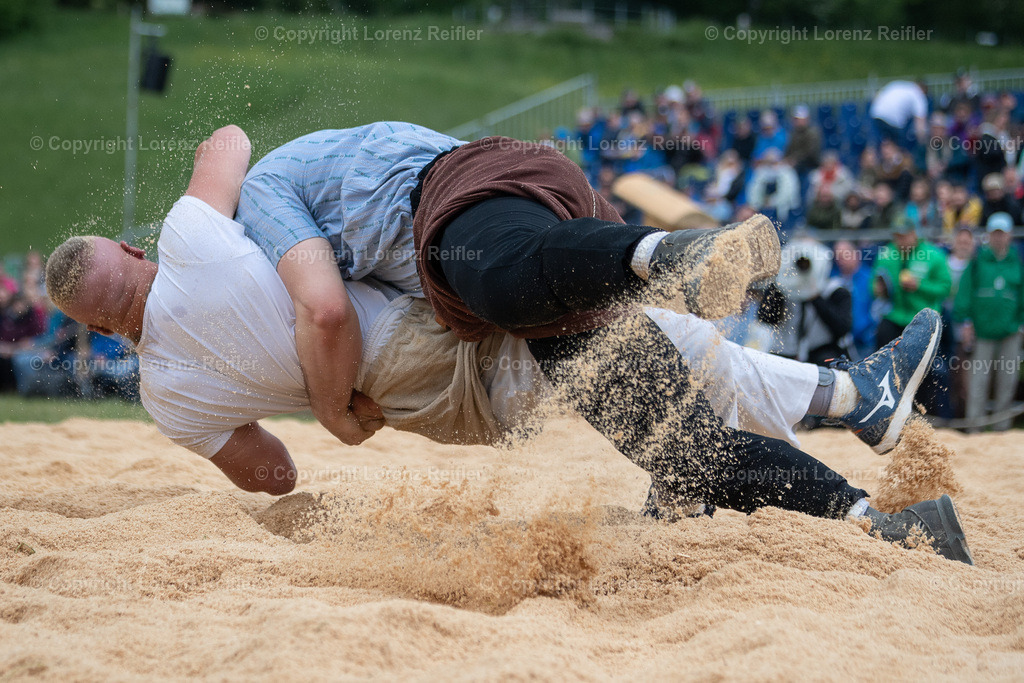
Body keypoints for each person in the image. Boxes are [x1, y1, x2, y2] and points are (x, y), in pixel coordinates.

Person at [47, 124, 973, 565]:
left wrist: (324, 409)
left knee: (647, 381)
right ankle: (862, 434)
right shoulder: (205, 237)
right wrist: (323, 391)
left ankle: (707, 282)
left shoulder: (179, 366)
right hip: (483, 334)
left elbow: (278, 455)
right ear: (136, 251)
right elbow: (233, 156)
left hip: (459, 309)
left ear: (94, 329)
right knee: (673, 402)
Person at [954, 212, 1024, 431]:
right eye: (995, 233)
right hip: (982, 333)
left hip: (1010, 333)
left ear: (1009, 235)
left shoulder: (1017, 264)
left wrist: (1020, 325)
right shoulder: (977, 263)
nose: (998, 238)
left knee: (1007, 382)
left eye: (1002, 234)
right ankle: (974, 429)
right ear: (989, 235)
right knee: (978, 384)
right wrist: (965, 322)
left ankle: (1001, 430)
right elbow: (964, 294)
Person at [869, 80, 928, 148]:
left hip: (875, 113)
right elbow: (920, 123)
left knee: (879, 145)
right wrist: (922, 143)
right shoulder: (918, 94)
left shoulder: (899, 85)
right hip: (893, 120)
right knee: (899, 147)